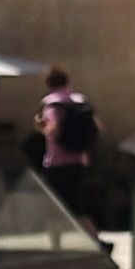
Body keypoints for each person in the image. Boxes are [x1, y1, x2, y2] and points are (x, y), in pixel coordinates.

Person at [35, 67, 99, 219]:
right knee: (78, 207)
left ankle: (56, 242)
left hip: (57, 163)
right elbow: (97, 127)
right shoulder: (81, 100)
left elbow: (53, 131)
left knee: (55, 208)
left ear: (48, 84)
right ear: (67, 81)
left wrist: (40, 126)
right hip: (79, 160)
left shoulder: (51, 103)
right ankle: (94, 239)